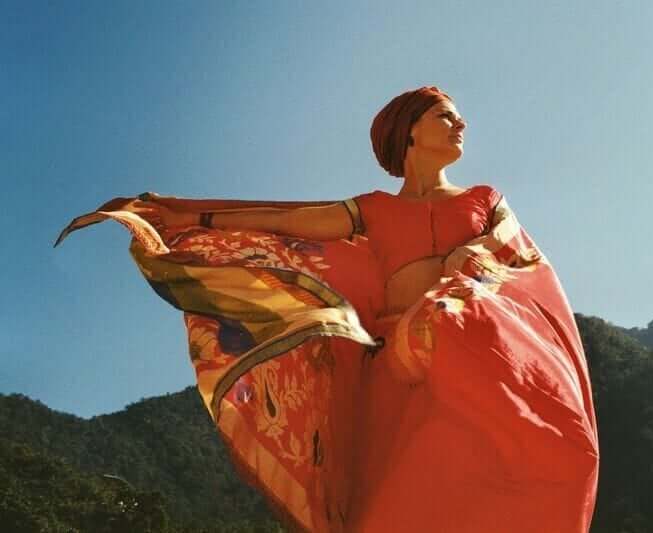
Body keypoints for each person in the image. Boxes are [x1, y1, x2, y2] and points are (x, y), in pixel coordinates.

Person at [58, 86, 599, 532]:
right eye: (446, 116)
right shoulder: (374, 209)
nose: (461, 126)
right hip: (398, 366)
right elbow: (286, 221)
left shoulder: (483, 199)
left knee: (547, 452)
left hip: (477, 347)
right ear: (410, 131)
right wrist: (190, 218)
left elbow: (517, 253)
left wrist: (473, 252)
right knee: (400, 502)